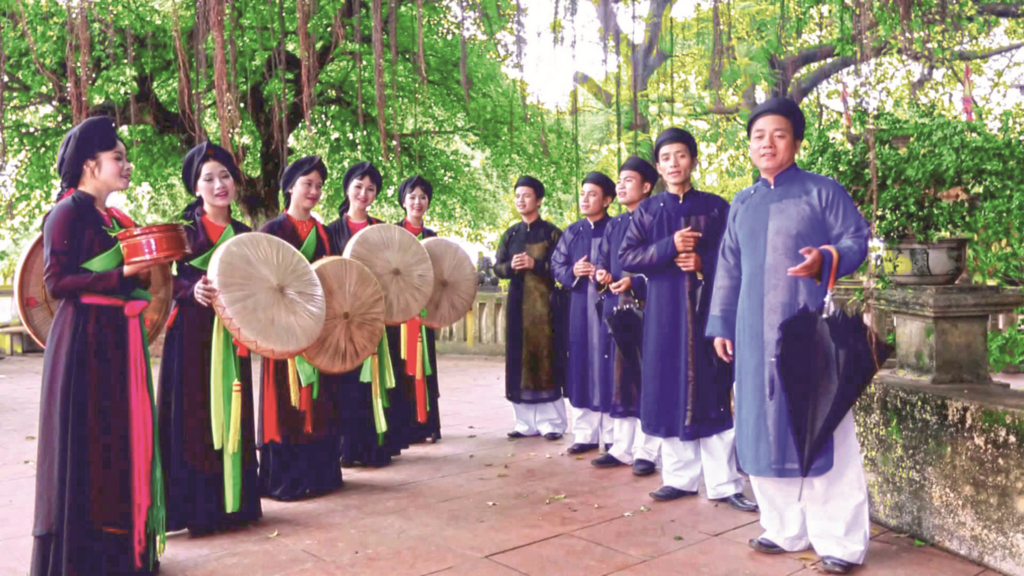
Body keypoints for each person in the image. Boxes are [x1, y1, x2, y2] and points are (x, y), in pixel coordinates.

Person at [706, 97, 871, 575]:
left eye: (778, 134)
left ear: (796, 142)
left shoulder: (823, 191)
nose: (767, 143)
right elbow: (728, 269)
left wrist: (826, 257)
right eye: (759, 136)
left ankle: (840, 540)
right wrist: (720, 324)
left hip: (806, 335)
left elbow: (855, 239)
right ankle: (783, 528)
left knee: (822, 429)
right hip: (752, 338)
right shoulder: (743, 203)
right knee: (761, 432)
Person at [31, 116, 165, 574]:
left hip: (118, 339)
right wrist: (122, 276)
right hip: (83, 343)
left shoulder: (115, 218)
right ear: (90, 164)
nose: (127, 166)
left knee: (118, 441)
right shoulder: (66, 211)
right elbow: (56, 282)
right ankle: (84, 559)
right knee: (89, 443)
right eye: (118, 158)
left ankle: (122, 553)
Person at [619, 128, 756, 512]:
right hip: (663, 318)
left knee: (712, 389)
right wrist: (669, 247)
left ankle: (724, 483)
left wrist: (702, 263)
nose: (674, 163)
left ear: (693, 160)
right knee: (668, 389)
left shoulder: (715, 208)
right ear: (659, 168)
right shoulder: (646, 212)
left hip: (707, 314)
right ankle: (679, 478)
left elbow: (736, 257)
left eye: (681, 155)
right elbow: (628, 257)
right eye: (666, 158)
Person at [158, 142, 262, 533]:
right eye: (209, 178)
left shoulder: (244, 234)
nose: (220, 184)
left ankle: (234, 504)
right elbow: (157, 280)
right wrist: (188, 291)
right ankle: (195, 509)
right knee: (194, 415)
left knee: (234, 413)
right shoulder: (181, 233)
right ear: (195, 187)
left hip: (234, 335)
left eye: (225, 176)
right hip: (191, 337)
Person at [258, 156, 345, 499]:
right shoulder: (272, 230)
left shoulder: (324, 234)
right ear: (290, 186)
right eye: (307, 184)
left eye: (319, 186)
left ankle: (320, 476)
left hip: (318, 327)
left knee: (321, 400)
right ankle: (285, 481)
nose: (314, 191)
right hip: (282, 329)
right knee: (285, 401)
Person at [326, 161, 400, 467]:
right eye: (358, 187)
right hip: (341, 318)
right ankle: (345, 448)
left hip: (373, 317)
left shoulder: (383, 230)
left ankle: (374, 447)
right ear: (347, 189)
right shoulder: (330, 231)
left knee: (373, 381)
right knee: (344, 382)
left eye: (370, 189)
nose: (363, 193)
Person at [590, 156, 661, 475]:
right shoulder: (615, 225)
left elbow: (662, 267)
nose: (620, 185)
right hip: (618, 308)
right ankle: (622, 447)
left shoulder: (658, 219)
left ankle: (648, 450)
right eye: (618, 180)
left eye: (628, 180)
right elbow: (603, 263)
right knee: (620, 378)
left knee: (647, 377)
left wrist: (637, 283)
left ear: (647, 186)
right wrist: (602, 275)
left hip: (650, 309)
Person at [494, 176, 567, 440]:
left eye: (526, 195)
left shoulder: (551, 233)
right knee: (518, 363)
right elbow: (497, 268)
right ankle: (524, 423)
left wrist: (535, 265)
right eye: (517, 196)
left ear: (538, 199)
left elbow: (561, 270)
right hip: (516, 307)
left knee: (546, 361)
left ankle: (552, 423)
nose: (521, 200)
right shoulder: (511, 234)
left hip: (544, 310)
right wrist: (512, 266)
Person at [550, 172, 616, 454]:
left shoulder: (618, 228)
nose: (585, 199)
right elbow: (556, 265)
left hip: (610, 308)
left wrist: (608, 275)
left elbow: (630, 263)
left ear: (608, 200)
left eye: (592, 194)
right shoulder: (573, 231)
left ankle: (613, 435)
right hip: (578, 309)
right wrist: (572, 272)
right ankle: (585, 435)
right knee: (580, 366)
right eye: (583, 193)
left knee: (610, 367)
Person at [386, 175, 443, 447]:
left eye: (422, 197)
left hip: (424, 312)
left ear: (428, 202)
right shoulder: (393, 233)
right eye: (412, 196)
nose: (417, 202)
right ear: (403, 201)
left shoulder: (432, 238)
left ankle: (427, 425)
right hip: (398, 311)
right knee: (399, 366)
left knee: (425, 366)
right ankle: (404, 427)